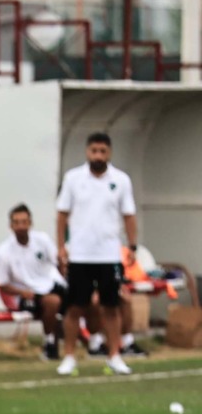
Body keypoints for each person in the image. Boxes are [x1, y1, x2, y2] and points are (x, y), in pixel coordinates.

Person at [55, 132, 136, 376]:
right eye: (94, 151)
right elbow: (62, 215)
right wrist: (61, 247)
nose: (98, 156)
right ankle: (69, 356)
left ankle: (114, 355)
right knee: (75, 308)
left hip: (109, 254)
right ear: (87, 152)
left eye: (102, 151)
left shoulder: (121, 180)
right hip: (80, 254)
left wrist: (132, 246)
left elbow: (128, 215)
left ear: (109, 153)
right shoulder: (73, 179)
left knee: (111, 307)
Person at [0, 203, 67, 361]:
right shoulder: (3, 252)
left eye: (24, 222)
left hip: (50, 286)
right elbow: (2, 284)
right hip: (26, 296)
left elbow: (58, 261)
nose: (21, 226)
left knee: (83, 298)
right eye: (17, 222)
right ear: (11, 226)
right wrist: (22, 293)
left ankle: (96, 343)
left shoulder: (42, 240)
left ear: (30, 223)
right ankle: (49, 343)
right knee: (53, 302)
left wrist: (64, 265)